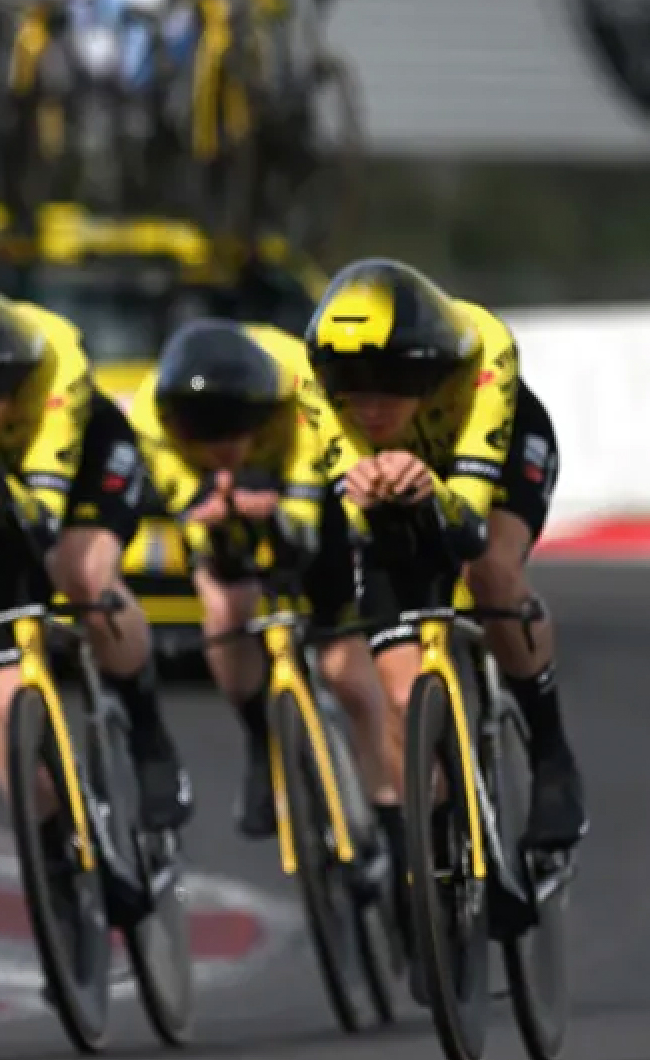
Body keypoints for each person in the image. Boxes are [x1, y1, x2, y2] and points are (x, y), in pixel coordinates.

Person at [305, 258, 587, 851]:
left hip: (495, 460)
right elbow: (370, 531)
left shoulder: (485, 348)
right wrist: (383, 501)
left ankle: (551, 755)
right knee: (403, 694)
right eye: (349, 382)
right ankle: (439, 840)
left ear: (431, 369)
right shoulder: (317, 390)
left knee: (492, 573)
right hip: (410, 482)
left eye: (391, 379)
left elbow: (468, 530)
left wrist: (427, 489)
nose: (371, 405)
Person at [0, 277, 193, 830]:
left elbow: (43, 515)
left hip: (81, 468)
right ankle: (51, 853)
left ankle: (148, 733)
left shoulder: (54, 356)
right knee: (5, 705)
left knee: (82, 574)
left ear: (11, 381)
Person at [128, 317, 402, 869]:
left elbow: (305, 520)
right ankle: (261, 739)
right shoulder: (150, 416)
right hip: (233, 496)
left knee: (346, 672)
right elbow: (197, 523)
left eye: (231, 436)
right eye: (202, 439)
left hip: (301, 484)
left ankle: (395, 822)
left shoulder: (302, 390)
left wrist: (277, 509)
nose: (220, 449)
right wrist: (212, 511)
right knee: (226, 605)